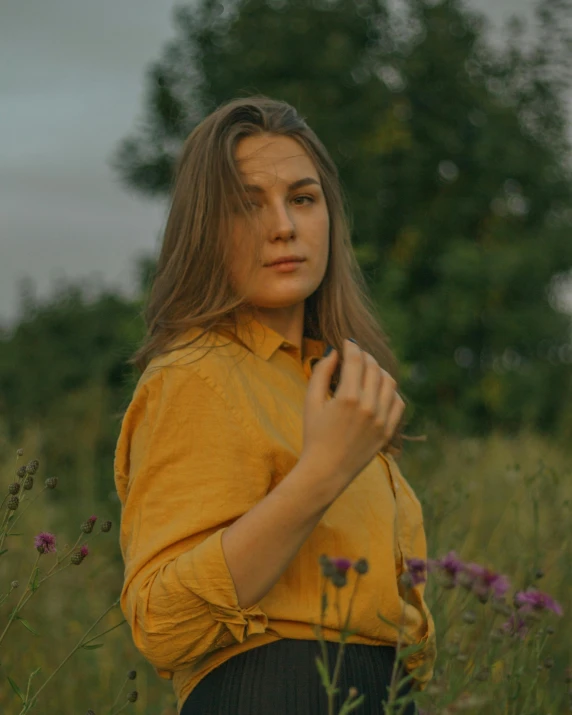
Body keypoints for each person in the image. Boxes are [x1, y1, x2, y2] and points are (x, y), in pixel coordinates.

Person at [114, 95, 436, 715]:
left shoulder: (332, 379)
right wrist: (321, 474)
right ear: (204, 229)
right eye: (246, 205)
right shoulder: (196, 373)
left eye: (303, 198)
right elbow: (162, 621)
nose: (283, 225)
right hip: (271, 691)